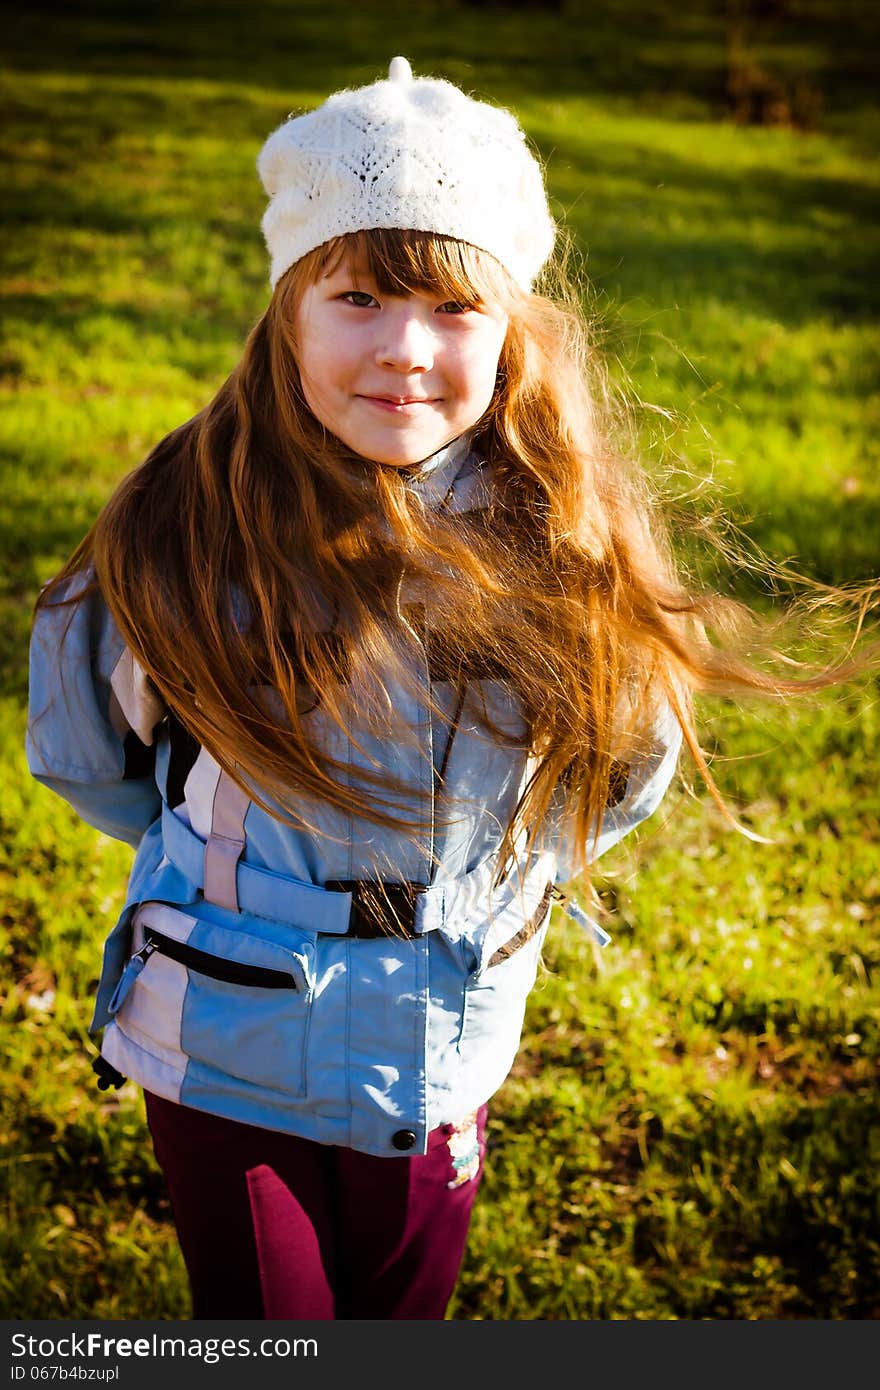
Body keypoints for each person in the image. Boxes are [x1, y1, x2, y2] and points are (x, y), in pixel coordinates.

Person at [23, 56, 868, 1322]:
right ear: (286, 309)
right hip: (221, 1038)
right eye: (356, 295)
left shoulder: (561, 552)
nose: (403, 350)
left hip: (440, 1046)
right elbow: (90, 752)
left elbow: (612, 774)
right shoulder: (181, 528)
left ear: (513, 328)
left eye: (451, 309)